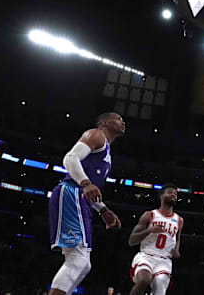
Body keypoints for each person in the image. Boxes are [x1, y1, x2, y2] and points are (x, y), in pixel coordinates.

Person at [48, 113, 124, 295]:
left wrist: (103, 209)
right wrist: (85, 183)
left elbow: (90, 191)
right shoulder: (96, 135)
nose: (123, 122)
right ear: (105, 122)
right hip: (71, 192)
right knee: (78, 259)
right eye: (118, 118)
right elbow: (70, 158)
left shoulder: (107, 152)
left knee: (84, 264)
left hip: (80, 199)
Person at [128, 184, 182, 295]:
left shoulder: (179, 220)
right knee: (144, 280)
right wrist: (149, 230)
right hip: (146, 256)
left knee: (159, 288)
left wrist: (176, 250)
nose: (173, 195)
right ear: (161, 196)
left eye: (175, 194)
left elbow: (177, 238)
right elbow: (131, 240)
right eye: (170, 192)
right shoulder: (149, 215)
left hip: (164, 260)